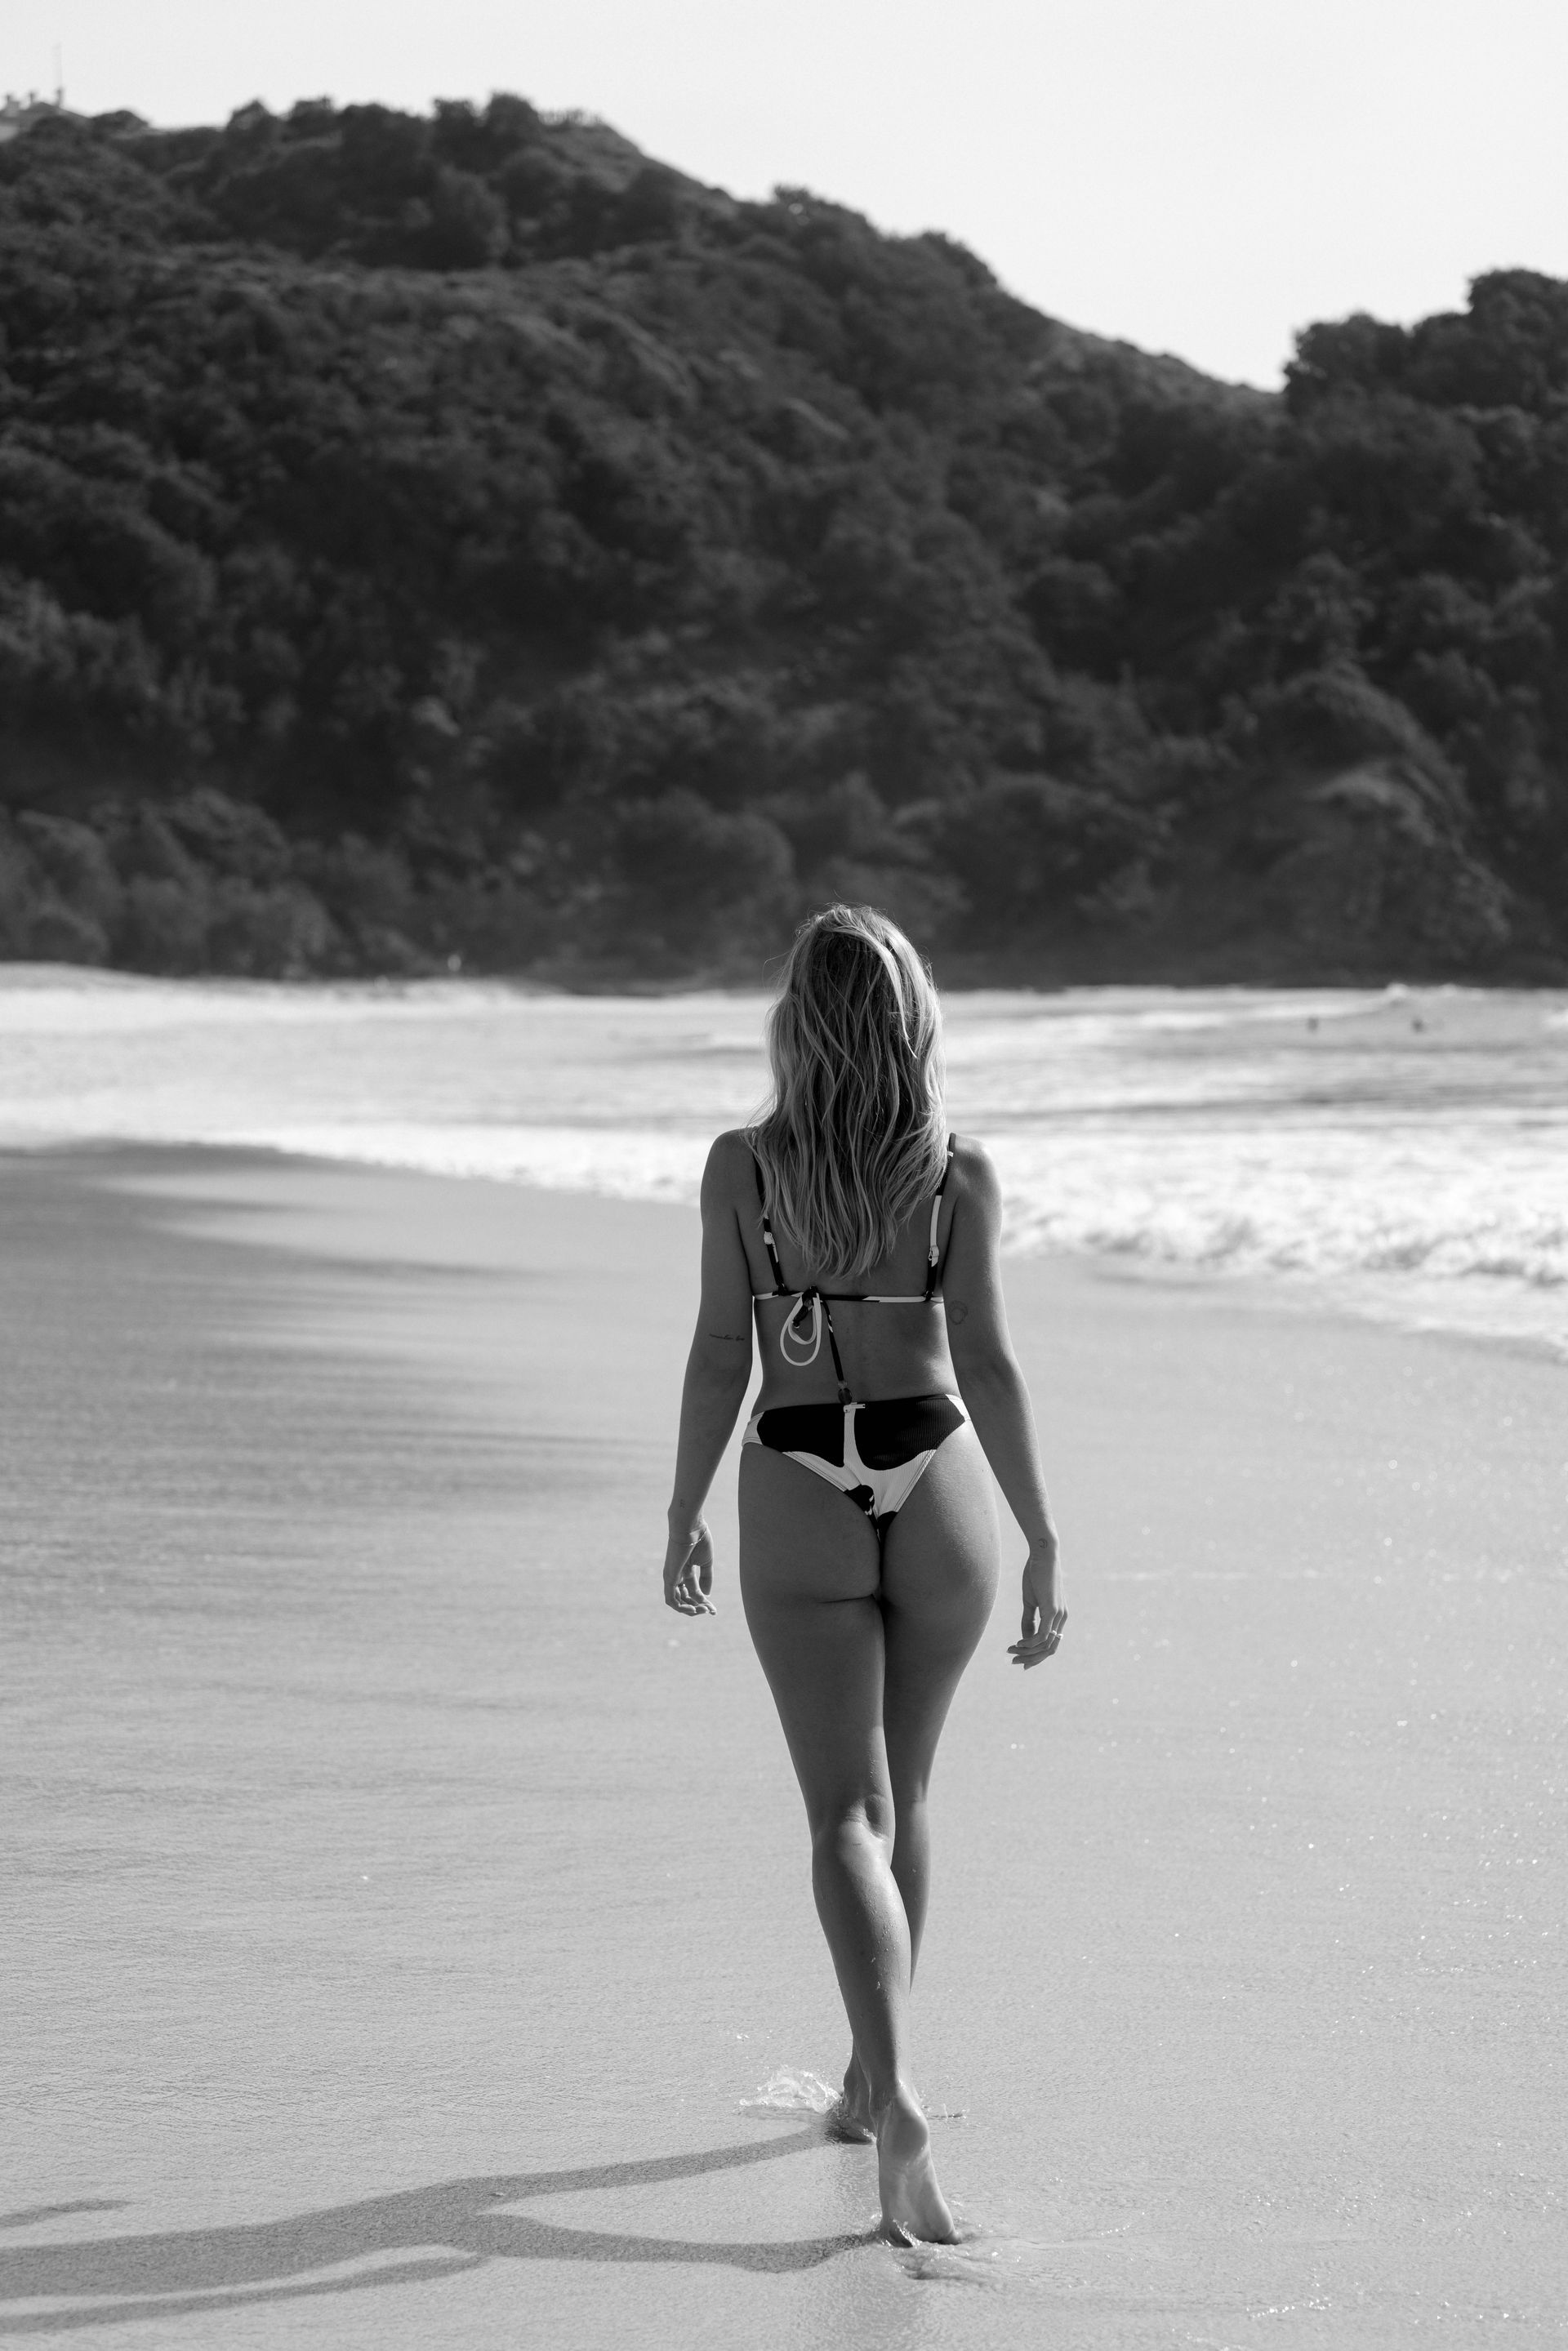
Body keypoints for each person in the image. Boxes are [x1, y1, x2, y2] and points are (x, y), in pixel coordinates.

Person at [661, 905, 1067, 2245]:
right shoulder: (957, 1173)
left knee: (847, 1812)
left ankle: (886, 2093)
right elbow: (988, 1363)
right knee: (912, 1796)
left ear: (799, 1023)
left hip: (797, 1474)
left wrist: (683, 1509)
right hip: (935, 1472)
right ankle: (864, 2084)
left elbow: (721, 1351)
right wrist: (1043, 1535)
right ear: (913, 1021)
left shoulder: (744, 1167)